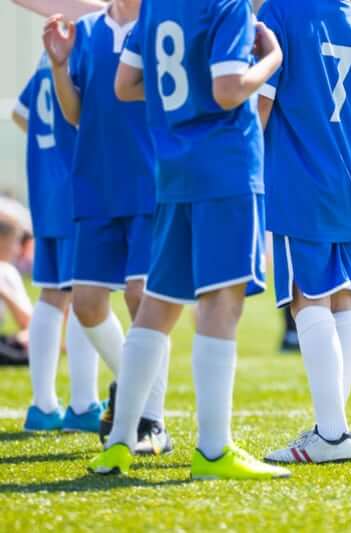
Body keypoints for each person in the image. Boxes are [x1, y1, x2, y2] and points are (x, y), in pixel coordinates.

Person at [88, 0, 288, 480]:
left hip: (174, 170)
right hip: (224, 168)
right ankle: (215, 451)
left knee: (159, 304)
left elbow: (125, 84)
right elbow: (227, 91)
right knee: (221, 302)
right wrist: (274, 58)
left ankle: (119, 443)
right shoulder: (228, 4)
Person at [256, 0, 351, 463]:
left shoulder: (280, 13)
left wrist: (240, 171)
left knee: (306, 298)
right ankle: (331, 427)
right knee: (341, 301)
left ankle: (333, 435)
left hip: (301, 180)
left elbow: (262, 104)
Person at [42, 0, 172, 452]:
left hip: (151, 181)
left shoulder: (161, 23)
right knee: (87, 305)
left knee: (142, 297)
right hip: (96, 183)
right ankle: (131, 384)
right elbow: (76, 113)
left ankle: (151, 419)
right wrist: (60, 65)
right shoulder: (88, 30)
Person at [11, 51, 105, 431]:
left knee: (52, 295)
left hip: (46, 188)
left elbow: (20, 114)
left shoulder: (47, 54)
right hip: (77, 187)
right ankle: (83, 404)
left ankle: (43, 405)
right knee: (87, 292)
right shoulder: (85, 43)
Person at [0, 217, 33, 367]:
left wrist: (3, 293)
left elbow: (28, 323)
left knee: (28, 347)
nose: (18, 250)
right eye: (15, 242)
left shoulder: (8, 272)